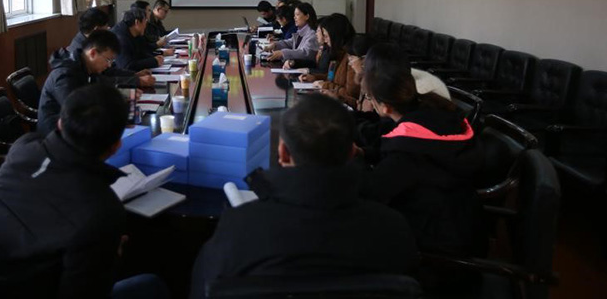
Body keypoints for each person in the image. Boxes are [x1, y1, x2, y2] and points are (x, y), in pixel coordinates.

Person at [189, 94, 418, 298]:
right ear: (353, 152)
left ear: (283, 153)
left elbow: (204, 288)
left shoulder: (238, 226)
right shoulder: (394, 228)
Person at [0, 84, 169, 299]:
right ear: (116, 146)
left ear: (60, 123)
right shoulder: (101, 210)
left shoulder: (23, 148)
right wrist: (111, 257)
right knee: (152, 285)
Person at [360, 43, 484, 260]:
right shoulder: (437, 115)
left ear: (385, 107)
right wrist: (364, 153)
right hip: (462, 225)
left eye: (370, 99)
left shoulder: (408, 149)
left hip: (435, 250)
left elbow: (372, 191)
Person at [37, 30, 122, 136]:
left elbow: (102, 89)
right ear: (93, 53)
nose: (109, 65)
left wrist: (124, 95)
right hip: (56, 135)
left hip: (75, 128)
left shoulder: (86, 68)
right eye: (108, 60)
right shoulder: (65, 76)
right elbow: (77, 113)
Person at [68, 8, 155, 89]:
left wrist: (134, 75)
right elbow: (100, 80)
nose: (109, 30)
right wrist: (135, 80)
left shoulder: (86, 41)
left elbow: (108, 71)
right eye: (106, 27)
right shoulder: (81, 51)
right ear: (97, 30)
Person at [297, 15, 359, 107]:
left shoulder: (352, 58)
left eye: (326, 36)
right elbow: (331, 77)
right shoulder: (336, 53)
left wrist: (326, 85)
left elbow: (351, 95)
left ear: (335, 36)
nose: (325, 41)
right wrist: (314, 77)